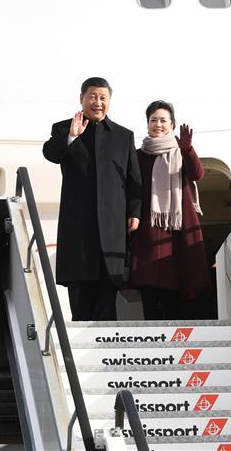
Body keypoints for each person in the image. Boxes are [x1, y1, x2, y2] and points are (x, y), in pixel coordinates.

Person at [42, 77, 141, 321]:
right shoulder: (64, 128)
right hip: (78, 229)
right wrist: (71, 137)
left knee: (108, 301)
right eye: (93, 97)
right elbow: (50, 154)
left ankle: (106, 353)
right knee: (81, 301)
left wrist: (134, 212)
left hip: (111, 229)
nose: (98, 102)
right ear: (81, 99)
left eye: (103, 98)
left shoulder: (123, 135)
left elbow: (133, 178)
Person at [130, 100, 210, 320]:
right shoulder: (138, 155)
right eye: (153, 120)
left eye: (163, 120)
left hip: (178, 229)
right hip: (148, 227)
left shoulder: (181, 151)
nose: (158, 124)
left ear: (172, 125)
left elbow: (197, 175)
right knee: (149, 287)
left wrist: (187, 150)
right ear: (147, 125)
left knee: (178, 283)